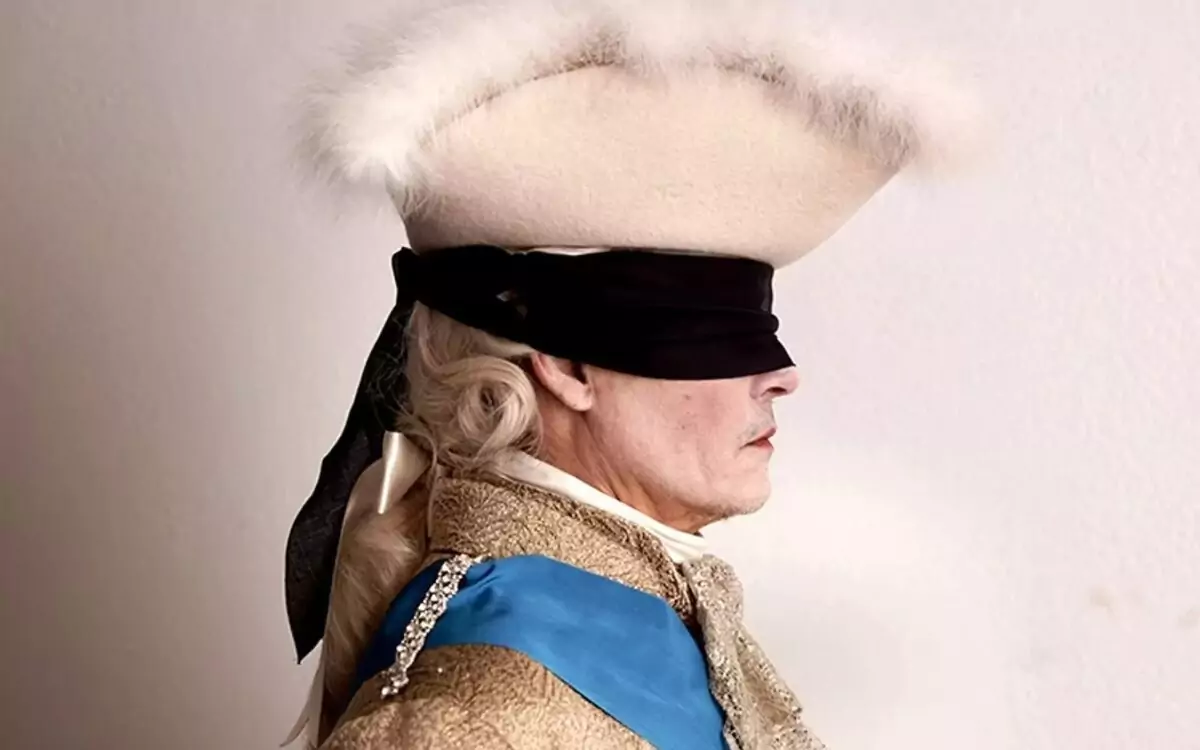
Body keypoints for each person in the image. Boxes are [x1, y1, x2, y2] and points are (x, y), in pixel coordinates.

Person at [282, 1, 978, 748]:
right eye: (715, 337)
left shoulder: (655, 609)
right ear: (569, 364)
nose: (781, 376)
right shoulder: (475, 718)